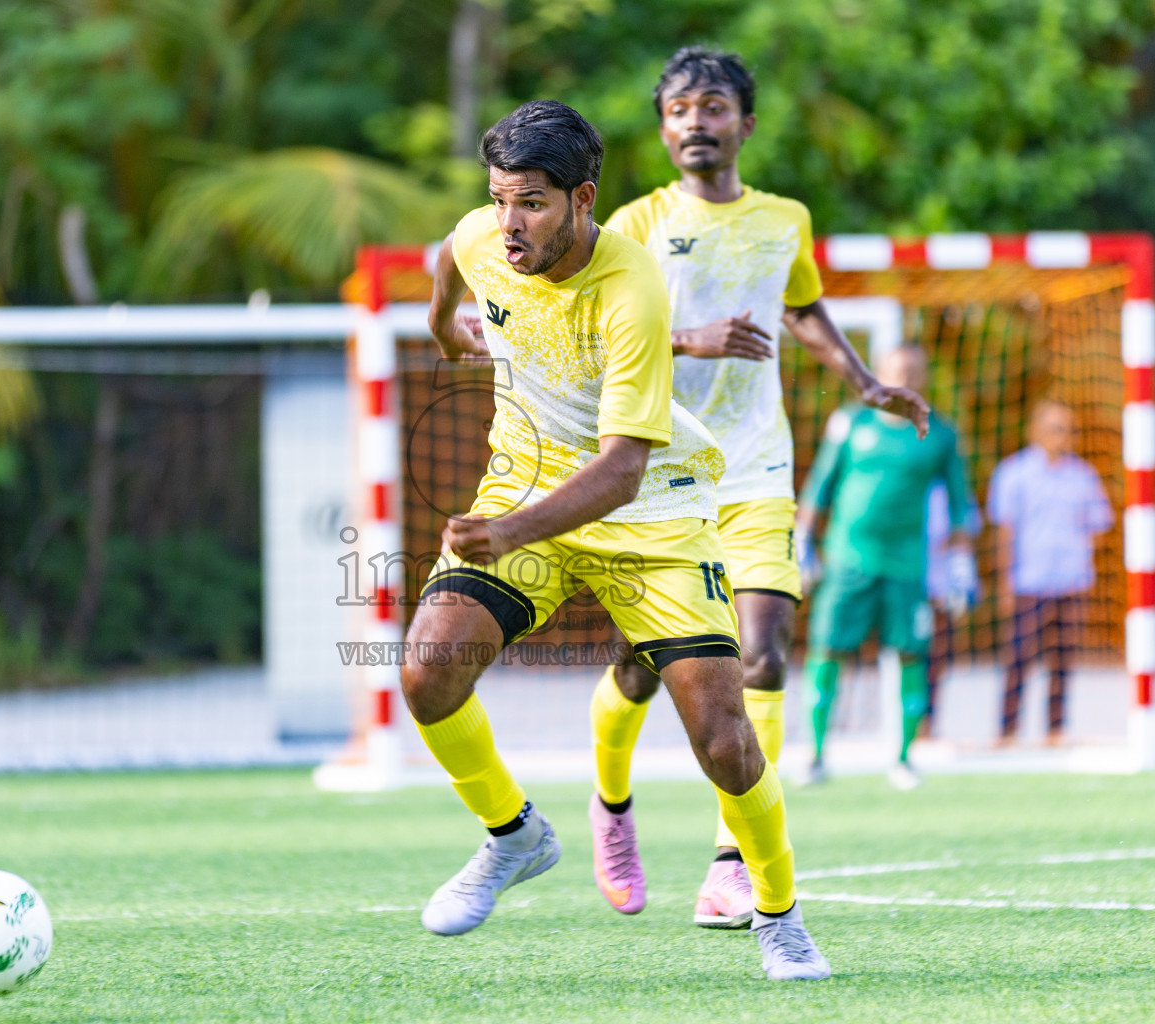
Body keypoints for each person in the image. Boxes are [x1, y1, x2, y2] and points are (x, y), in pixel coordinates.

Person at [409, 99, 830, 980]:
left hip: (654, 516)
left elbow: (622, 473)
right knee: (427, 668)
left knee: (724, 733)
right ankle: (514, 836)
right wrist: (447, 328)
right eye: (498, 199)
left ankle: (780, 914)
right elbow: (448, 275)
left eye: (530, 202)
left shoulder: (634, 285)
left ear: (582, 199)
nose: (508, 222)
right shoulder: (479, 238)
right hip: (523, 493)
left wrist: (505, 532)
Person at [584, 46, 929, 930]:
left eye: (712, 107)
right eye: (679, 111)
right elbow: (596, 346)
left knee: (762, 654)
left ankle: (730, 864)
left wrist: (865, 383)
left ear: (745, 122)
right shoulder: (634, 226)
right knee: (641, 665)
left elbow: (803, 307)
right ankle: (612, 807)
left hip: (755, 466)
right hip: (658, 473)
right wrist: (687, 341)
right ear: (663, 130)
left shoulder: (786, 220)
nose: (695, 123)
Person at [798, 346, 972, 790]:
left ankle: (903, 758)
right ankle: (816, 755)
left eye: (914, 371)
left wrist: (962, 563)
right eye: (898, 371)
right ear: (880, 375)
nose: (906, 378)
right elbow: (821, 484)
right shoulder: (851, 422)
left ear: (925, 376)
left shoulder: (939, 434)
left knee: (911, 653)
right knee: (828, 650)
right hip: (847, 562)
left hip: (907, 567)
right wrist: (802, 544)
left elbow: (960, 505)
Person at [987, 399, 1112, 745]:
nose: (1063, 435)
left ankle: (1056, 728)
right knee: (1019, 657)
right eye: (1056, 427)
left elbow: (1098, 526)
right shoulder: (1015, 472)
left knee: (1064, 657)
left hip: (1071, 581)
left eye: (1068, 428)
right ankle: (1008, 729)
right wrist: (1005, 582)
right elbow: (1004, 531)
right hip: (1030, 580)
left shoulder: (1083, 475)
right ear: (1036, 431)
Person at [920, 483, 980, 738]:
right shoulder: (903, 480)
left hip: (940, 590)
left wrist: (964, 582)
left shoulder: (955, 490)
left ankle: (927, 725)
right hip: (905, 586)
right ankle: (901, 722)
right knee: (906, 656)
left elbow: (966, 537)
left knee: (936, 660)